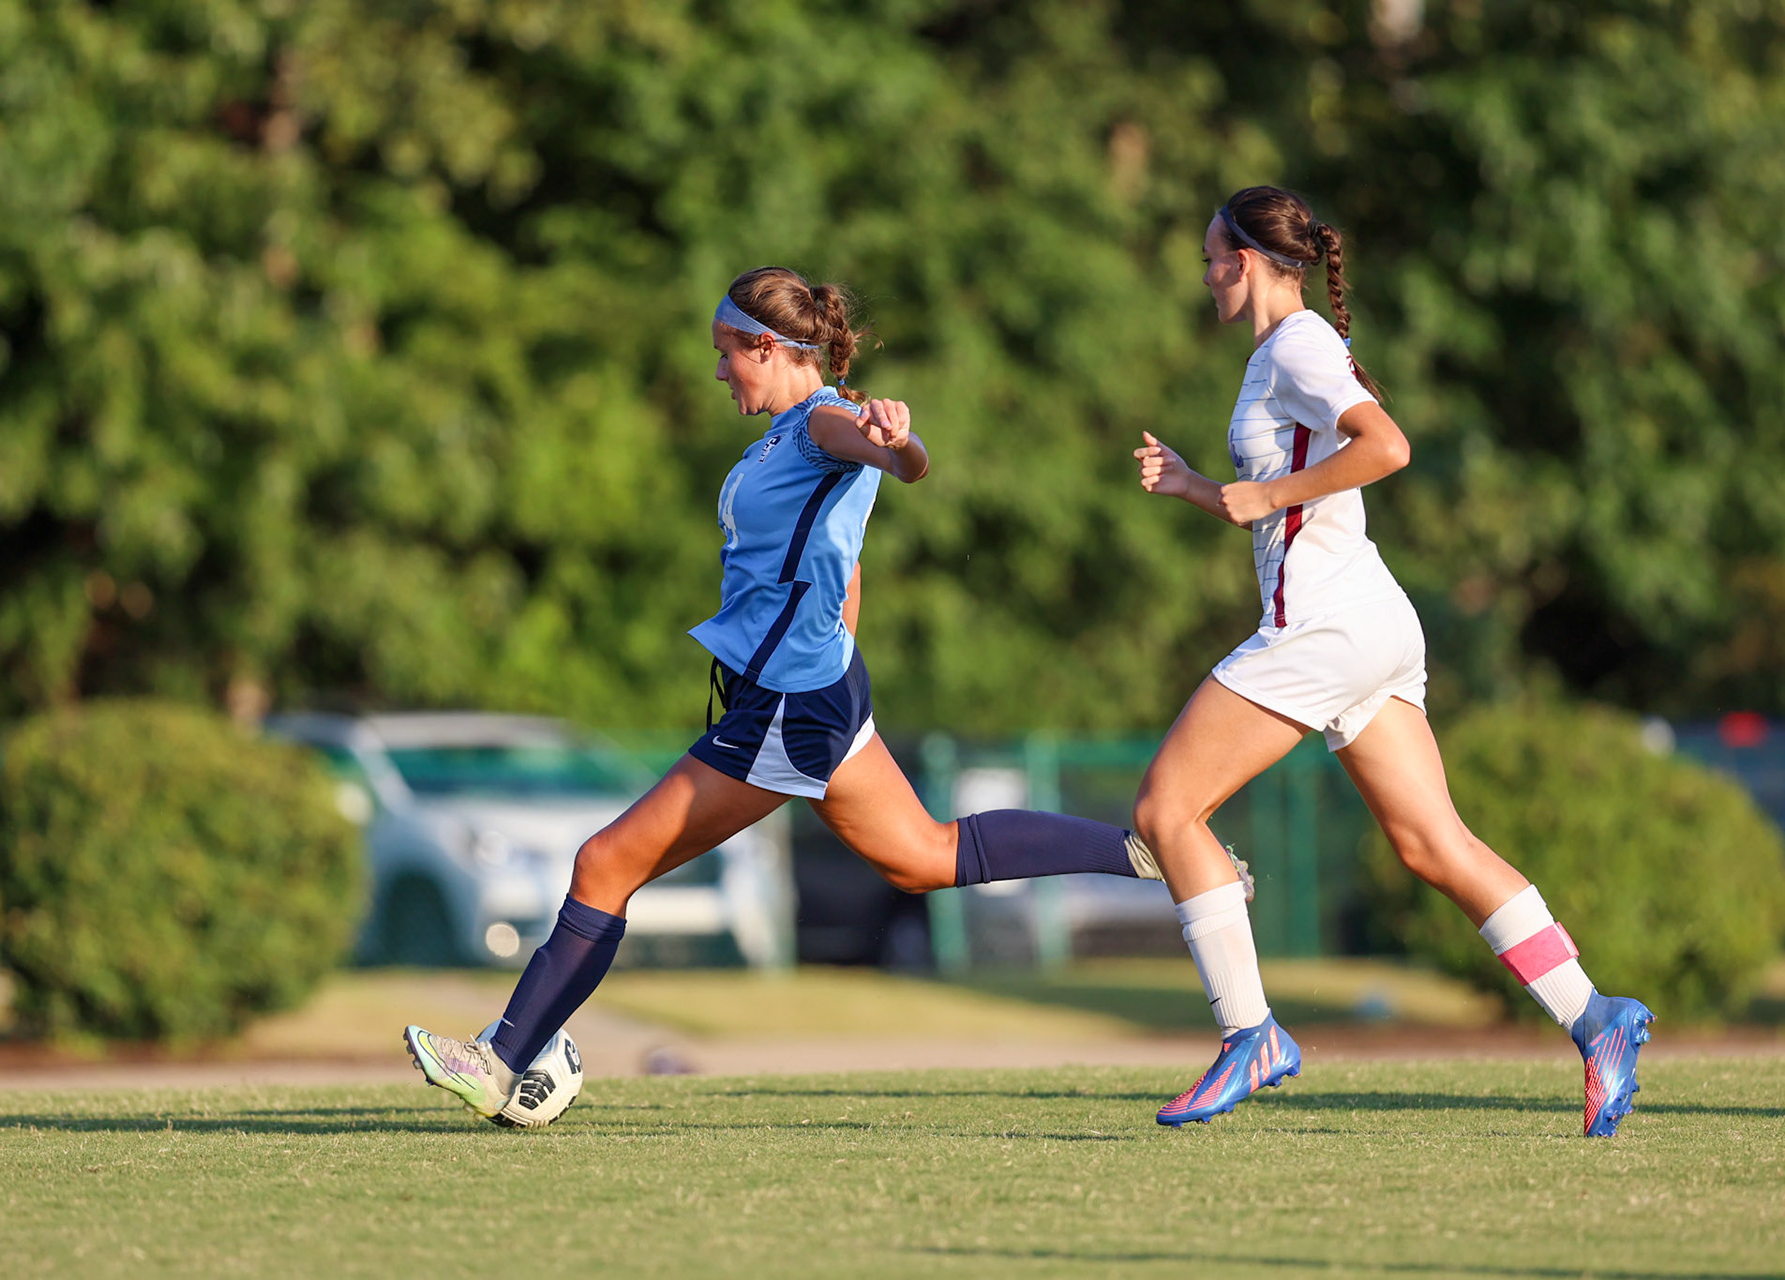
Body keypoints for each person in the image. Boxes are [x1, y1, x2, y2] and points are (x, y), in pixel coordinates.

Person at [403, 266, 1167, 1127]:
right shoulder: (781, 439)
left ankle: (500, 1060)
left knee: (604, 863)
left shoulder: (822, 426)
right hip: (814, 690)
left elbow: (901, 462)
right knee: (922, 856)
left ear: (768, 346)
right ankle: (1147, 851)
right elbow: (848, 562)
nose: (719, 372)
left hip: (790, 704)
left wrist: (900, 440)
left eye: (728, 354)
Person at [1130, 187, 1654, 1137]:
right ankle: (1595, 1015)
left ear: (1248, 261)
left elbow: (1388, 447)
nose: (1203, 274)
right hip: (1368, 621)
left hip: (1326, 628)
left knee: (1167, 808)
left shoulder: (1293, 346)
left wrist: (1262, 491)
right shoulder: (1278, 355)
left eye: (1212, 257)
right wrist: (1202, 488)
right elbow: (1282, 506)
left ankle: (1251, 1035)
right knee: (1432, 844)